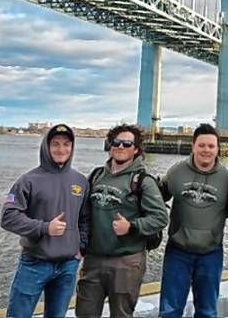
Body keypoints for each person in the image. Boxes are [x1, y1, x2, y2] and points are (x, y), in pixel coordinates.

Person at [76, 124, 168, 318]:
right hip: (93, 260)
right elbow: (80, 212)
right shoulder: (96, 176)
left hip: (126, 262)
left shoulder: (143, 181)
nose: (120, 147)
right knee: (84, 313)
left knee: (121, 314)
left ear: (135, 149)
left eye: (127, 143)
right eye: (116, 142)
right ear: (110, 146)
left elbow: (160, 217)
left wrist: (132, 226)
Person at [1, 124, 90, 318]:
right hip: (35, 263)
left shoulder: (81, 181)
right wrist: (44, 227)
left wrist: (81, 247)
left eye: (66, 144)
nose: (61, 149)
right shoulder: (28, 180)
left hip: (68, 265)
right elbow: (8, 217)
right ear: (46, 147)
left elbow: (85, 219)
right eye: (55, 144)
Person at [158, 123, 228, 318]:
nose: (206, 150)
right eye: (201, 145)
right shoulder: (176, 171)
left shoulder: (227, 179)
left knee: (207, 311)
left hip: (211, 253)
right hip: (178, 251)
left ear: (218, 149)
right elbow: (156, 198)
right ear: (193, 146)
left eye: (211, 146)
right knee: (170, 310)